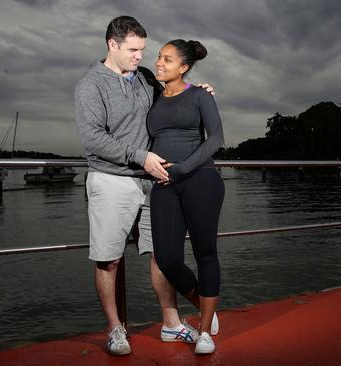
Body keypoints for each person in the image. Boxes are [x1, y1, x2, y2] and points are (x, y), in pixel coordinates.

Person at [74, 16, 217, 356]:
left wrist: (199, 90)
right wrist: (140, 156)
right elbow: (93, 139)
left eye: (142, 49)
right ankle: (115, 329)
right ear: (113, 44)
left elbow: (173, 95)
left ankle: (171, 324)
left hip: (152, 182)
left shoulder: (145, 79)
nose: (140, 56)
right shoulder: (90, 85)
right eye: (133, 50)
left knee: (162, 256)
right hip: (111, 180)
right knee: (109, 259)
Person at [148, 39, 225, 355]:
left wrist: (181, 169)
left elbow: (216, 138)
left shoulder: (199, 95)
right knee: (167, 258)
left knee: (205, 252)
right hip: (163, 185)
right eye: (158, 57)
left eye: (167, 59)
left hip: (200, 179)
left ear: (184, 67)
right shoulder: (153, 96)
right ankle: (203, 301)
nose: (159, 63)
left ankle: (204, 331)